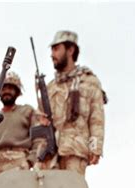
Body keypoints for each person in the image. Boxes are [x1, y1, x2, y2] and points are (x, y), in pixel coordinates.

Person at [39, 30, 107, 175]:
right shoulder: (50, 87)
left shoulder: (88, 81)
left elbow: (97, 117)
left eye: (56, 49)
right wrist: (41, 121)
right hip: (50, 154)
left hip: (75, 150)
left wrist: (95, 147)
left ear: (70, 50)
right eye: (52, 50)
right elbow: (40, 118)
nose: (52, 55)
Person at [0, 72, 38, 185]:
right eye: (3, 88)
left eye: (11, 88)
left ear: (17, 91)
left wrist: (30, 161)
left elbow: (38, 139)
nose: (7, 91)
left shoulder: (27, 111)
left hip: (19, 159)